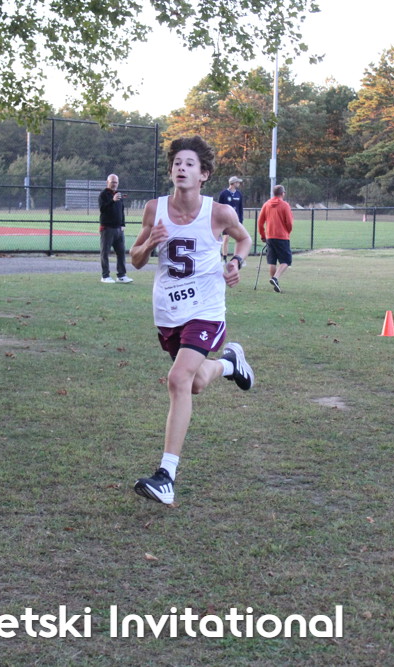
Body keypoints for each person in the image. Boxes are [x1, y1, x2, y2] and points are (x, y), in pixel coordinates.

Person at [128, 136, 255, 505]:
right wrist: (149, 243)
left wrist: (236, 263)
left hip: (207, 308)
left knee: (178, 379)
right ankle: (230, 364)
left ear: (204, 174)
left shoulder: (219, 213)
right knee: (195, 383)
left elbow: (244, 239)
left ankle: (166, 477)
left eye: (189, 164)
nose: (181, 168)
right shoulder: (155, 209)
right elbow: (135, 259)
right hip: (169, 312)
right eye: (177, 163)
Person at [258, 184, 294, 293]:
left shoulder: (266, 204)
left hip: (270, 236)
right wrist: (287, 232)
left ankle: (275, 285)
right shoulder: (285, 205)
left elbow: (260, 222)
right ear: (283, 193)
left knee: (272, 261)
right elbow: (289, 222)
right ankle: (275, 278)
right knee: (286, 260)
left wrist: (263, 235)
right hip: (282, 236)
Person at [98, 174, 133, 283]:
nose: (114, 184)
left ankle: (121, 275)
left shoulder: (118, 195)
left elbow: (121, 210)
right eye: (112, 182)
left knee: (121, 253)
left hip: (118, 229)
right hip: (107, 229)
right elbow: (102, 209)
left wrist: (123, 224)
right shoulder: (103, 194)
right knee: (105, 253)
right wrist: (112, 200)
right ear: (107, 182)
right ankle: (105, 276)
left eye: (116, 182)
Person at [216, 176, 245, 263]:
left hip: (236, 221)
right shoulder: (224, 194)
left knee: (239, 239)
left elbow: (240, 208)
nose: (239, 184)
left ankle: (237, 258)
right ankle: (224, 259)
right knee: (226, 238)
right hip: (226, 221)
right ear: (233, 183)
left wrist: (241, 220)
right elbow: (219, 207)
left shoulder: (239, 194)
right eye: (237, 182)